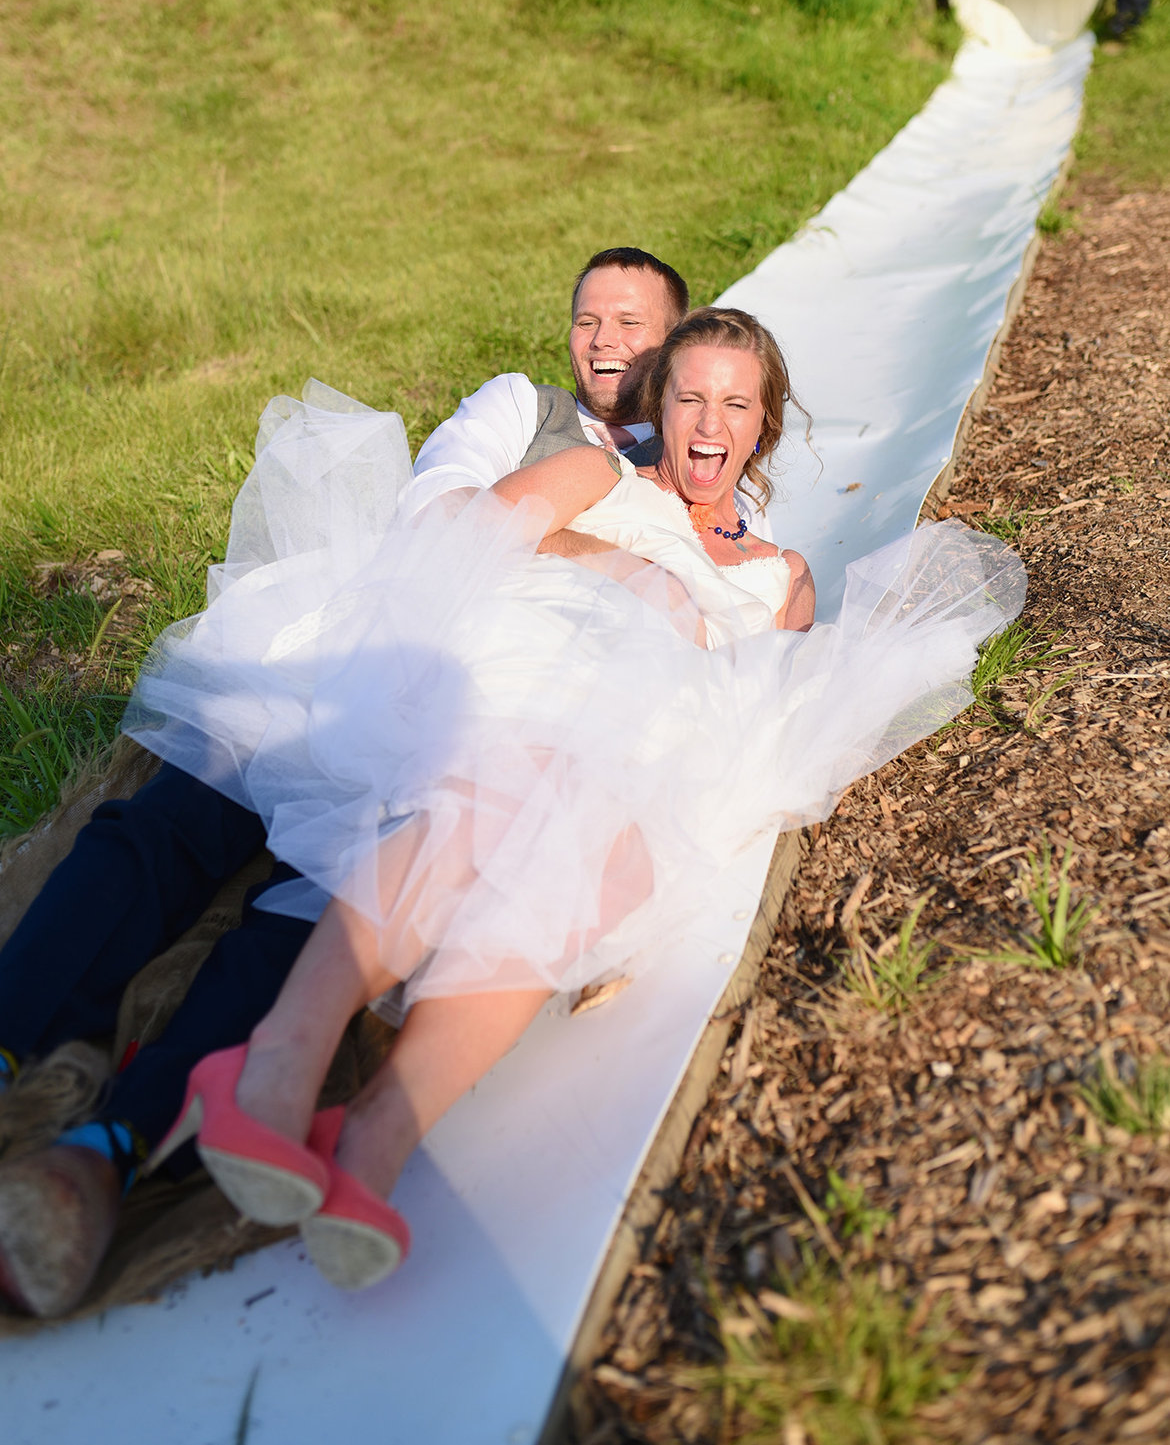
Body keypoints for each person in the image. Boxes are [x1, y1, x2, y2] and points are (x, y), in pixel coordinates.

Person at [95, 308, 1022, 1294]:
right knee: (514, 788)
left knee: (600, 867)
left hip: (660, 716)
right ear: (661, 406)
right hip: (544, 651)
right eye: (691, 395)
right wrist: (628, 568)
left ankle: (375, 1133)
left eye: (736, 403)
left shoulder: (783, 578)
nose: (710, 420)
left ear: (765, 426)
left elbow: (764, 695)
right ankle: (277, 1057)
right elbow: (470, 538)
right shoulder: (603, 477)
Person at [0, 248, 693, 1317]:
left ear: (678, 343)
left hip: (491, 710)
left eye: (632, 324)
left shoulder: (685, 491)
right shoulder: (529, 410)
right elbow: (439, 516)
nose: (605, 341)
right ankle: (12, 1033)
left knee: (320, 905)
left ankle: (111, 1147)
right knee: (173, 822)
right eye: (588, 318)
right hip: (380, 639)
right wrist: (593, 548)